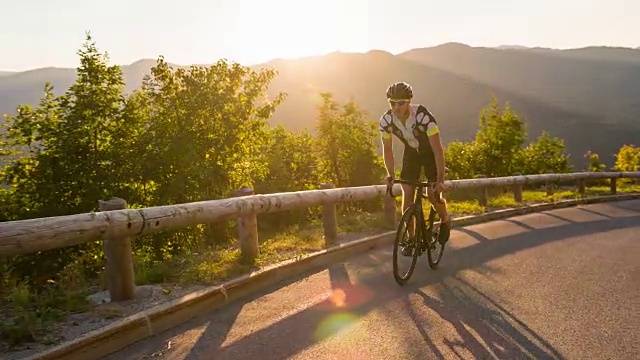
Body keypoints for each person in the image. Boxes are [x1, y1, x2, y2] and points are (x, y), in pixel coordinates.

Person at [379, 81, 451, 255]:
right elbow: (387, 151)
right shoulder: (386, 121)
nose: (396, 107)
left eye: (401, 103)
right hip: (411, 153)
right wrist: (390, 174)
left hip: (429, 154)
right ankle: (412, 239)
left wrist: (440, 179)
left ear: (409, 101)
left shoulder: (423, 117)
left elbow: (437, 150)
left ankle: (445, 220)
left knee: (432, 195)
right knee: (407, 193)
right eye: (392, 103)